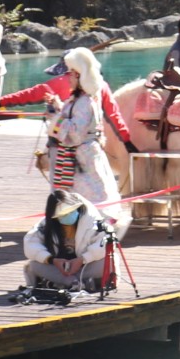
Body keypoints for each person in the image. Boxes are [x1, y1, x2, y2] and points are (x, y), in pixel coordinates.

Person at [44, 48, 125, 233]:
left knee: (91, 195)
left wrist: (57, 116)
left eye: (71, 73)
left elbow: (75, 133)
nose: (68, 77)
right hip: (81, 156)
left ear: (80, 75)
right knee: (88, 193)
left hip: (83, 157)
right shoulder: (80, 99)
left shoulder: (84, 102)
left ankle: (93, 229)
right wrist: (58, 107)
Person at [0, 59, 135, 149]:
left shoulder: (58, 83)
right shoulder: (102, 86)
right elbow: (113, 114)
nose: (67, 78)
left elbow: (29, 94)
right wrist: (127, 140)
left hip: (64, 143)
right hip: (92, 145)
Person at [20, 189, 108, 298]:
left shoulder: (92, 220)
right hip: (60, 269)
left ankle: (63, 282)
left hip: (86, 266)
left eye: (71, 211)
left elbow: (105, 243)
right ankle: (74, 282)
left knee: (108, 262)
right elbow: (30, 243)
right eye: (62, 215)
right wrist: (51, 260)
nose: (67, 216)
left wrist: (83, 259)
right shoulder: (47, 223)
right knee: (32, 265)